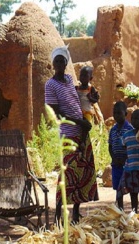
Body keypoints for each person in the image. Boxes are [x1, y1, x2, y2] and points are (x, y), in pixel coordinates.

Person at [45, 45, 99, 225]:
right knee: (67, 173)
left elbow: (82, 97)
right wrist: (79, 122)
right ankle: (59, 214)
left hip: (81, 132)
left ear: (66, 63)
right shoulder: (50, 85)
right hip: (68, 134)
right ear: (53, 63)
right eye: (57, 60)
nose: (60, 63)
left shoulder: (69, 79)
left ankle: (76, 213)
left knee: (84, 171)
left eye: (62, 60)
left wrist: (92, 96)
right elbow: (56, 111)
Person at [118, 109, 139, 217]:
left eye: (138, 119)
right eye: (133, 118)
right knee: (133, 194)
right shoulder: (127, 135)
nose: (135, 121)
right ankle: (134, 214)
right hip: (131, 169)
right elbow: (123, 149)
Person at [108, 101, 133, 210]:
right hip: (116, 164)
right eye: (115, 113)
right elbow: (110, 145)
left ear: (126, 114)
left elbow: (131, 146)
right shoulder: (112, 130)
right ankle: (120, 210)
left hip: (127, 164)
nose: (116, 116)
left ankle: (134, 209)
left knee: (130, 187)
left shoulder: (130, 129)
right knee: (118, 188)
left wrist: (125, 159)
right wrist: (114, 158)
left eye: (119, 113)